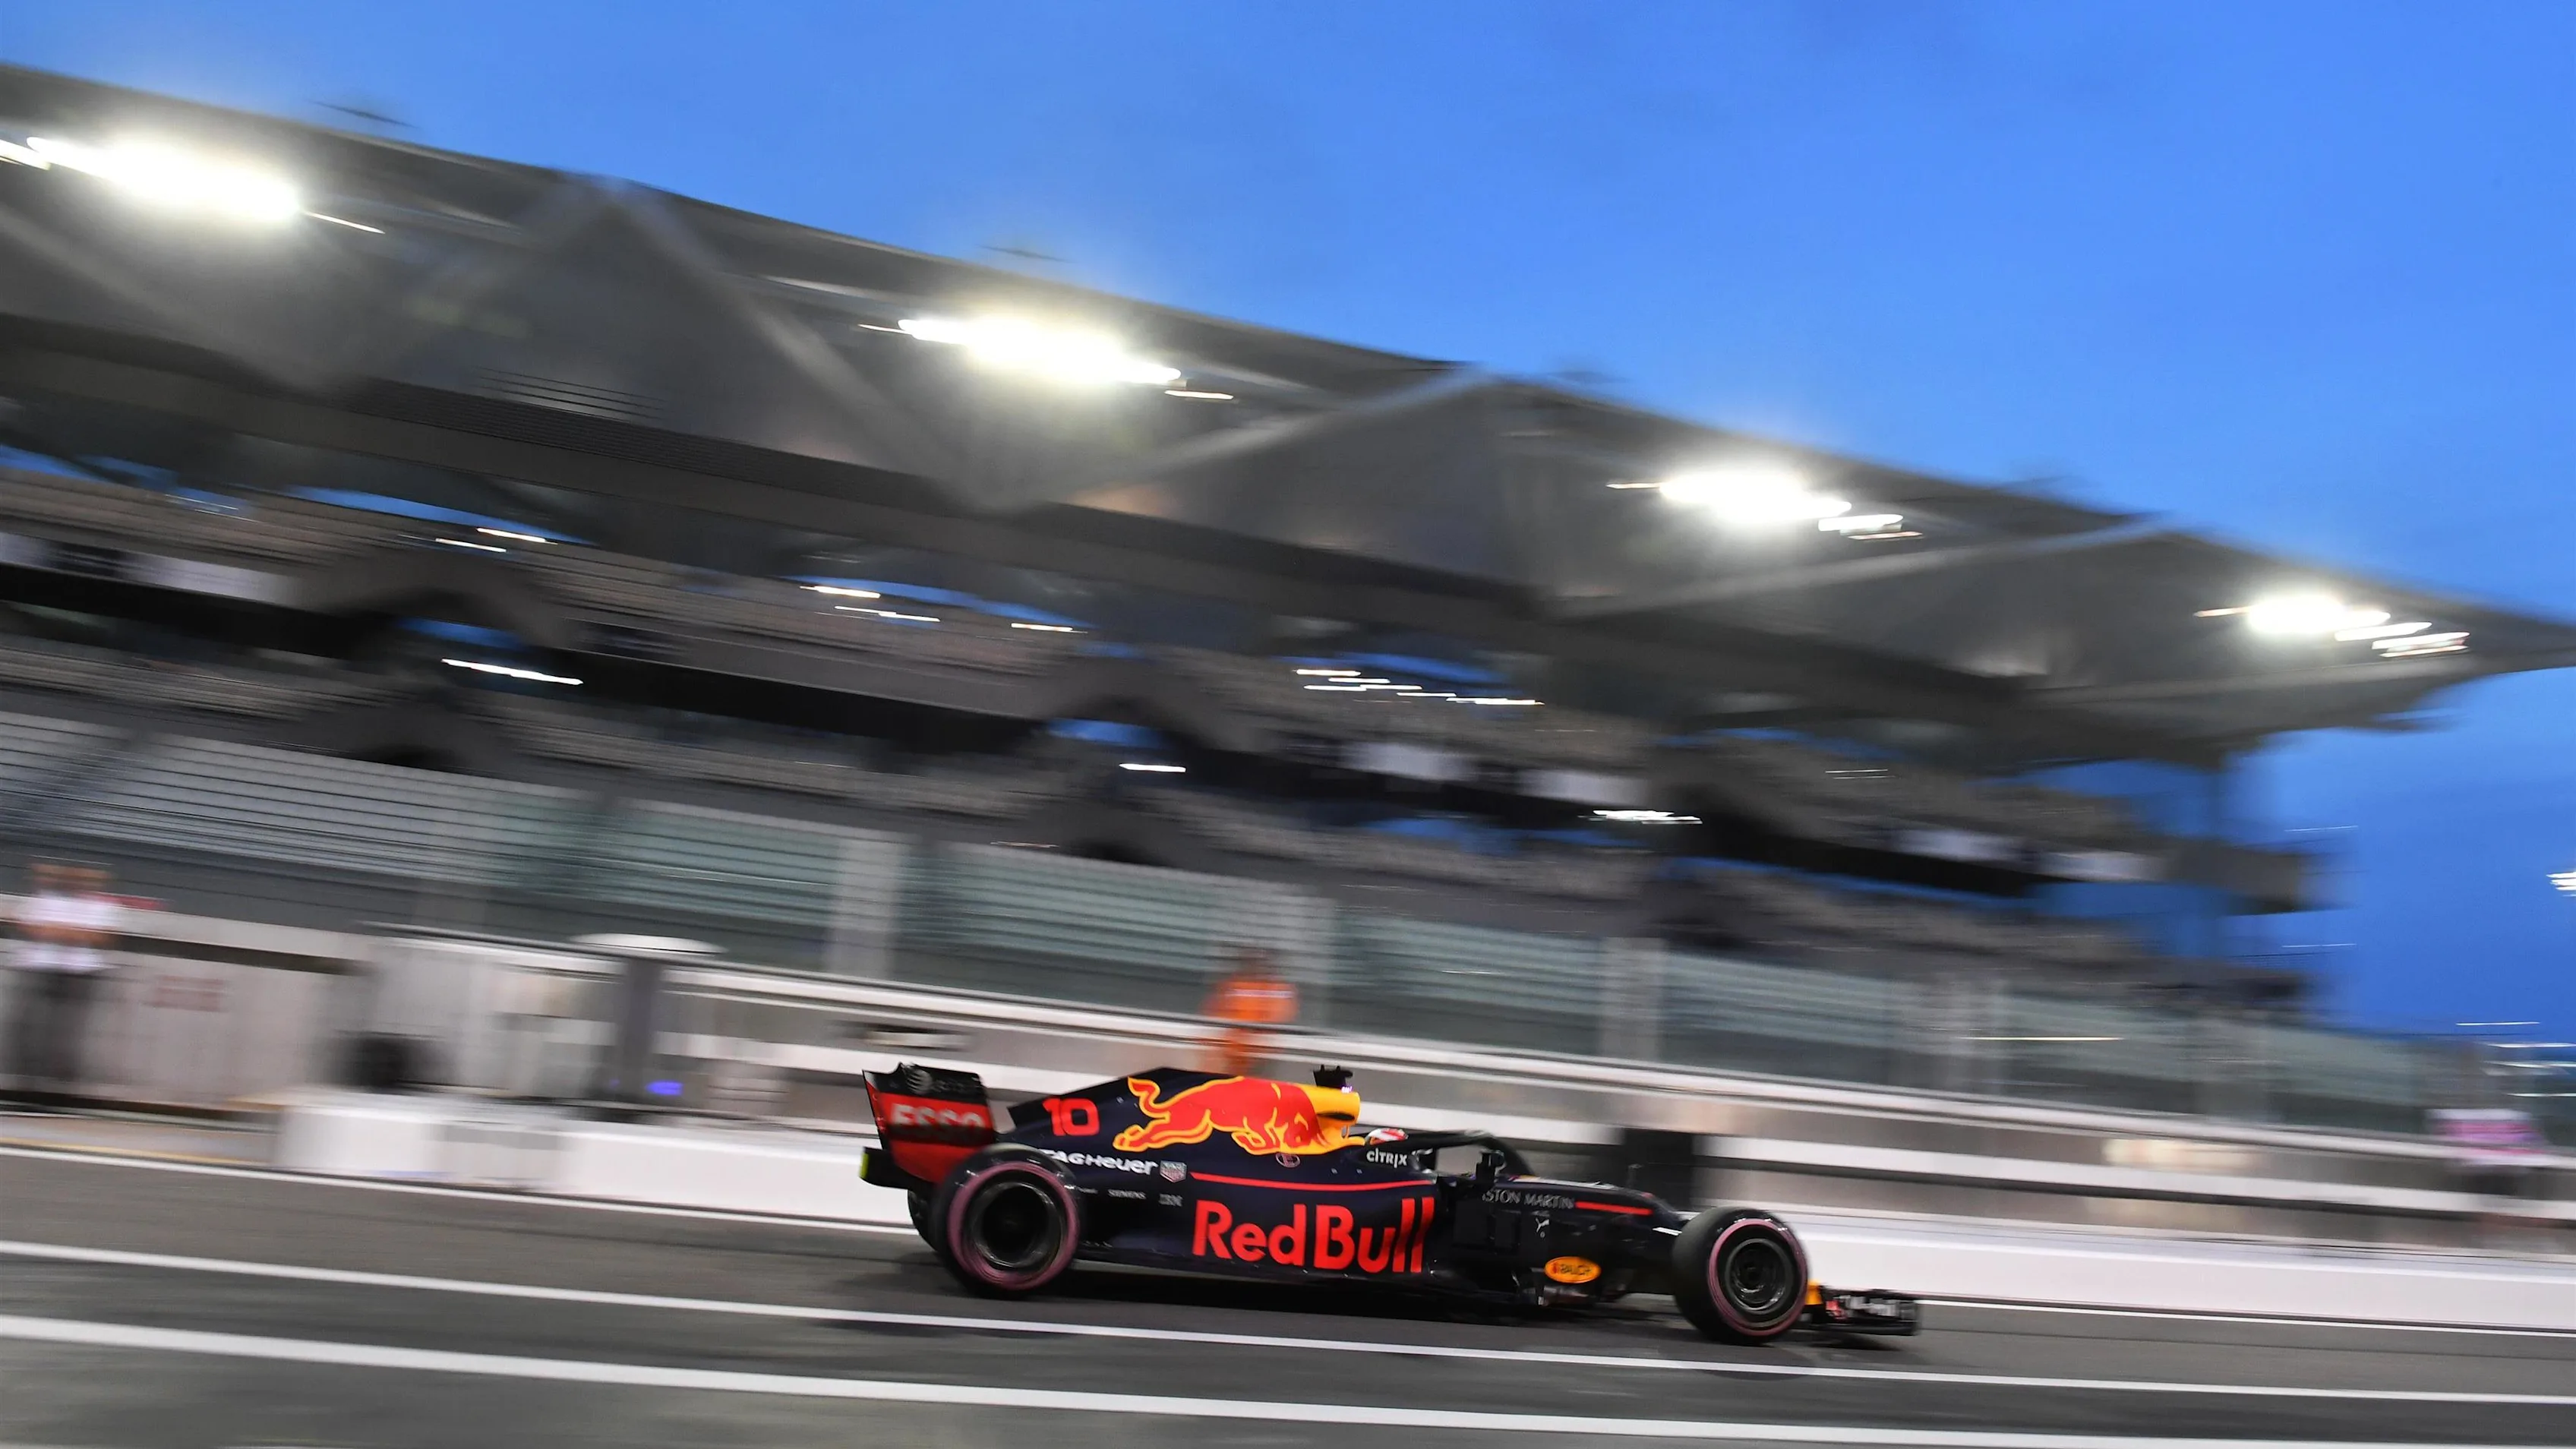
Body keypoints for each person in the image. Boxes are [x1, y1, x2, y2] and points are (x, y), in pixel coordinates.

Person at [8, 863, 118, 1098]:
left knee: (64, 1031)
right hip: (39, 967)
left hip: (80, 973)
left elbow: (100, 936)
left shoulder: (103, 906)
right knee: (27, 1025)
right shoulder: (44, 900)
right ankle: (27, 1083)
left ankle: (57, 1086)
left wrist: (55, 930)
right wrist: (74, 932)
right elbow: (29, 928)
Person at [1202, 945, 1297, 1078]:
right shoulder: (1233, 987)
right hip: (1233, 1058)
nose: (1257, 967)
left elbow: (1280, 1023)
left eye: (1261, 962)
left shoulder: (1278, 990)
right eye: (1252, 962)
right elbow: (1216, 1019)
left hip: (1265, 1059)